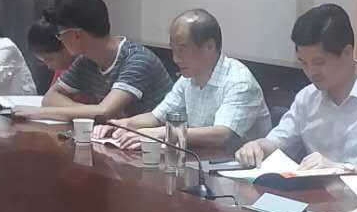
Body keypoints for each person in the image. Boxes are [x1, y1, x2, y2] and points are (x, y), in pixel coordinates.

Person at [235, 3, 357, 170]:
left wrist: (337, 168)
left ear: (347, 52)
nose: (311, 72)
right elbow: (277, 141)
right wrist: (256, 146)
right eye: (303, 63)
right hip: (313, 191)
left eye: (319, 62)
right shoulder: (307, 98)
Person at [98, 9, 271, 154]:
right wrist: (122, 126)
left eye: (182, 50)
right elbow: (157, 117)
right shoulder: (188, 78)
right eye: (173, 50)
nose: (175, 58)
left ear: (210, 46)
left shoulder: (239, 81)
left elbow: (221, 135)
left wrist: (161, 133)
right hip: (200, 161)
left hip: (240, 172)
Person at [25, 0, 173, 122]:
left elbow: (104, 112)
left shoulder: (137, 60)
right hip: (119, 137)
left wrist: (38, 113)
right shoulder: (85, 61)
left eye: (60, 34)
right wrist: (92, 111)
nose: (60, 40)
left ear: (76, 34)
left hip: (156, 140)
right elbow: (50, 98)